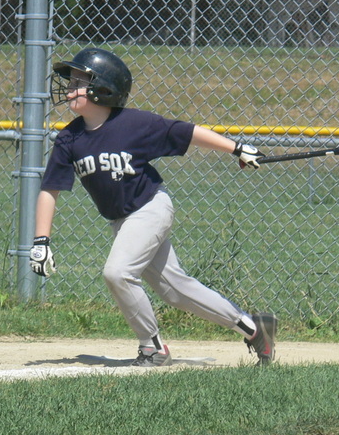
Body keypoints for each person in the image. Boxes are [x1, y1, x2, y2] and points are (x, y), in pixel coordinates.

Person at [29, 47, 277, 367]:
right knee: (175, 290)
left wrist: (238, 149)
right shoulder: (69, 139)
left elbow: (186, 132)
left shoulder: (134, 124)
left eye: (79, 82)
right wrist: (41, 241)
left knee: (117, 272)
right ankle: (255, 329)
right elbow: (50, 190)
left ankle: (153, 348)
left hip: (150, 208)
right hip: (122, 221)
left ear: (104, 88)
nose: (69, 89)